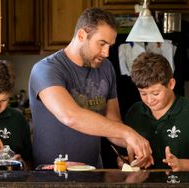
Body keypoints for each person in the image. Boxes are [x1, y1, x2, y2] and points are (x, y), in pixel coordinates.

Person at [29, 7, 153, 168]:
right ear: (81, 35)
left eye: (110, 45)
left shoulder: (106, 68)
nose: (107, 52)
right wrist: (127, 133)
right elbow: (70, 116)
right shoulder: (46, 69)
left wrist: (132, 146)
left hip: (93, 172)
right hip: (51, 175)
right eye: (102, 44)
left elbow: (113, 122)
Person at [124, 52, 189, 171]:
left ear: (171, 84)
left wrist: (183, 165)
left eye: (155, 93)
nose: (149, 100)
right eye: (143, 93)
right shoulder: (134, 112)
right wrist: (127, 161)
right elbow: (124, 153)